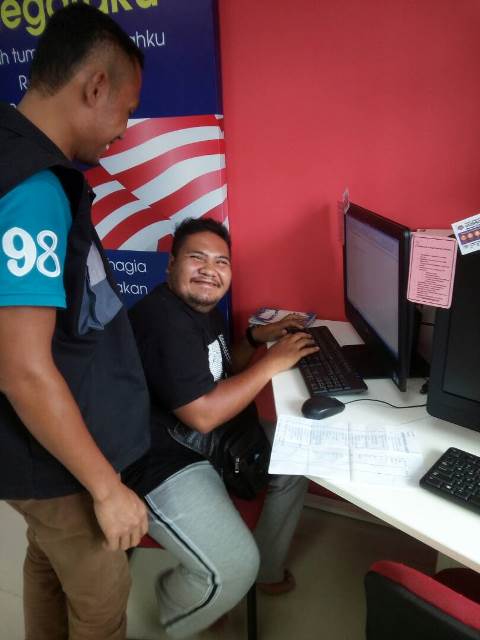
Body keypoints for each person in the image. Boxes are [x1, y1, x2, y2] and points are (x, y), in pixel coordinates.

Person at [0, 5, 151, 639]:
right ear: (94, 86)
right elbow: (23, 370)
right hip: (55, 464)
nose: (123, 130)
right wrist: (106, 489)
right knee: (99, 600)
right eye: (125, 110)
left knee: (46, 561)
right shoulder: (34, 190)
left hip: (39, 457)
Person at [125, 217, 319, 639]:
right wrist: (272, 362)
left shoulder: (200, 308)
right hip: (161, 459)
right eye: (197, 258)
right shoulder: (163, 321)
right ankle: (180, 604)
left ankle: (265, 570)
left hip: (209, 441)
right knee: (232, 567)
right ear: (171, 264)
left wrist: (255, 339)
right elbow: (204, 413)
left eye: (221, 262)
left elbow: (219, 371)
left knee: (297, 455)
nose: (209, 270)